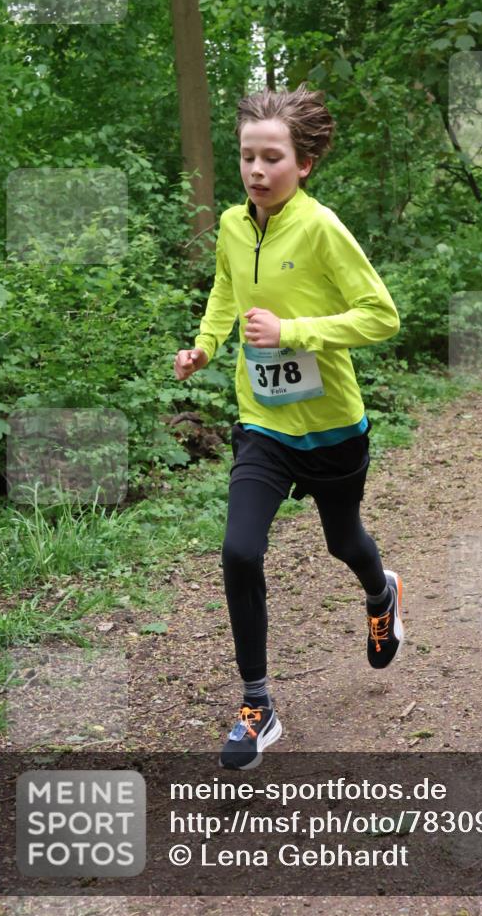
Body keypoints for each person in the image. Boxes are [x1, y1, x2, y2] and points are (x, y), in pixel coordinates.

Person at [174, 85, 403, 768]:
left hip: (332, 426)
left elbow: (380, 316)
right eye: (247, 156)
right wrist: (206, 346)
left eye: (271, 157)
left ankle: (380, 591)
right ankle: (257, 705)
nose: (256, 170)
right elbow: (224, 292)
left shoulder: (321, 227)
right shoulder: (233, 225)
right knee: (240, 550)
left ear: (302, 163)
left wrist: (294, 329)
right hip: (261, 425)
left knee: (344, 541)